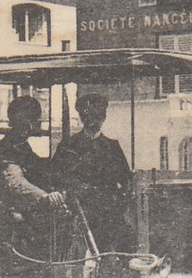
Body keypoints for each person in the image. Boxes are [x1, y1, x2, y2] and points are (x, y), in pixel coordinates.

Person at [0, 95, 67, 271]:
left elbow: (38, 169)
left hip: (24, 215)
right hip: (11, 220)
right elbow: (15, 182)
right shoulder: (8, 147)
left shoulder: (21, 145)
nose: (39, 123)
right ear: (27, 123)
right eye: (37, 119)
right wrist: (45, 197)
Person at [50, 93, 133, 253]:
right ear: (82, 118)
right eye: (89, 117)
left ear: (104, 118)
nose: (95, 121)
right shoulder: (68, 146)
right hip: (76, 214)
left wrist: (116, 208)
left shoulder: (112, 147)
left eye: (99, 116)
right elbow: (54, 177)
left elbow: (125, 182)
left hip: (107, 216)